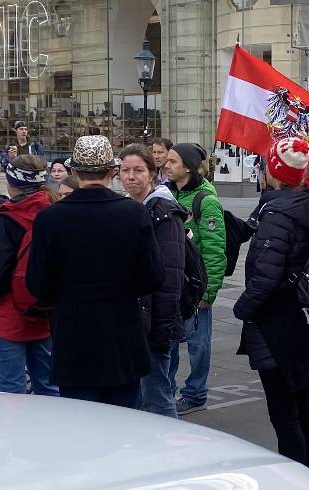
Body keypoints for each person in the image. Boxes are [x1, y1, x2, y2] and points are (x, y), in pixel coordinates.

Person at [28, 135, 161, 407]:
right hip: (121, 337)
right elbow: (152, 277)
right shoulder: (133, 214)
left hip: (73, 336)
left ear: (74, 172)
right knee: (122, 426)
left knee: (80, 429)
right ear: (112, 172)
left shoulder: (50, 218)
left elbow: (37, 285)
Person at [234, 137, 309, 468]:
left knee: (285, 415)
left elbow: (265, 276)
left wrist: (243, 309)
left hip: (279, 324)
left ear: (272, 172)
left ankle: (298, 480)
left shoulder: (278, 212)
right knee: (304, 406)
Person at [0, 155, 58, 396]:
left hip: (9, 314)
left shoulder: (8, 218)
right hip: (43, 311)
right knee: (48, 384)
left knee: (12, 389)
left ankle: (16, 433)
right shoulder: (55, 211)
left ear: (11, 181)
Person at [121, 145, 187, 416]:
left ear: (152, 173)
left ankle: (168, 452)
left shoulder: (163, 212)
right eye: (125, 170)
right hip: (133, 318)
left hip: (156, 320)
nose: (131, 176)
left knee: (158, 396)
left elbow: (170, 276)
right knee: (136, 399)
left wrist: (162, 328)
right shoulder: (126, 208)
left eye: (138, 170)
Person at [163, 142, 226, 415]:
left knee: (198, 345)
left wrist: (207, 293)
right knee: (170, 343)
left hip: (194, 288)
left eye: (172, 161)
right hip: (171, 285)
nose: (166, 164)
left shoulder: (206, 201)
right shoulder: (166, 194)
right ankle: (166, 391)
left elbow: (214, 251)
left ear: (188, 167)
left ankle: (196, 393)